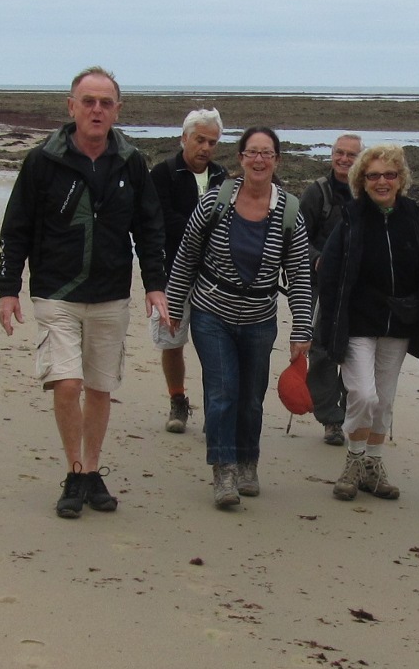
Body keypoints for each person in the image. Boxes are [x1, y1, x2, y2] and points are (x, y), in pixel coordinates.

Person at [0, 66, 170, 519]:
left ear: (117, 110)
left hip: (111, 294)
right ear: (71, 106)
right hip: (57, 292)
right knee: (67, 383)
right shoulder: (42, 161)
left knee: (99, 387)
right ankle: (74, 472)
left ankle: (92, 471)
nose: (96, 110)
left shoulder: (131, 162)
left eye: (105, 103)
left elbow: (149, 227)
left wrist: (155, 285)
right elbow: (16, 228)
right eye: (88, 101)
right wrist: (8, 288)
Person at [164, 127, 312, 508]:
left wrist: (301, 329)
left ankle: (248, 462)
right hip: (212, 312)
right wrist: (175, 305)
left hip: (260, 319)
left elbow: (299, 275)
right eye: (252, 152)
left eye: (267, 153)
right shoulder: (215, 201)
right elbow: (186, 254)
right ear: (241, 158)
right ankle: (224, 470)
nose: (259, 159)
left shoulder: (290, 211)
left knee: (251, 398)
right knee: (222, 391)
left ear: (277, 160)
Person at [317, 144, 419, 502]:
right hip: (357, 324)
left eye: (389, 174)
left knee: (383, 401)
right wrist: (325, 329)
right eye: (373, 176)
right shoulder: (351, 219)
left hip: (399, 324)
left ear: (400, 179)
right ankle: (353, 461)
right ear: (361, 181)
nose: (382, 181)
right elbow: (330, 276)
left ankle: (373, 465)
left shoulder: (416, 220)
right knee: (363, 395)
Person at [150, 108, 228, 434]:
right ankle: (177, 399)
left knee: (216, 345)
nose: (206, 147)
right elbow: (161, 220)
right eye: (200, 140)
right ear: (184, 138)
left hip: (215, 278)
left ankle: (215, 408)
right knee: (172, 341)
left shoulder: (222, 177)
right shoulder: (163, 173)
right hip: (172, 272)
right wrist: (202, 232)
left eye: (212, 142)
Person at [300, 133, 362, 445]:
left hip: (360, 289)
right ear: (332, 155)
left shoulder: (369, 193)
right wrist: (317, 260)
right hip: (321, 287)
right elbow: (298, 237)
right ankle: (331, 420)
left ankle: (351, 414)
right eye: (339, 153)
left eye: (351, 155)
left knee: (357, 351)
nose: (344, 159)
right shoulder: (317, 193)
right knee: (322, 352)